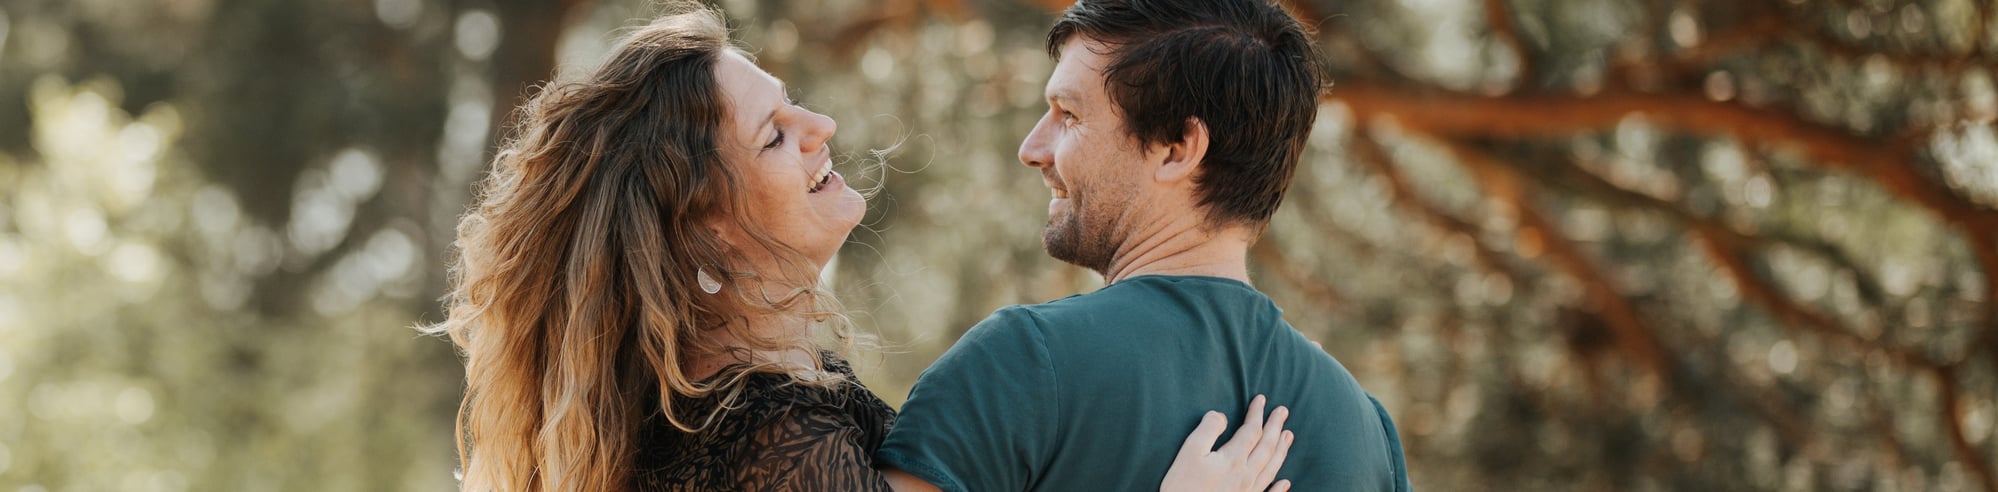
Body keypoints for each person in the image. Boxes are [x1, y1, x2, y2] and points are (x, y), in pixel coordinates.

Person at [428, 5, 1298, 491]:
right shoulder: (775, 440)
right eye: (774, 135)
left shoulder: (731, 410)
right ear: (705, 231)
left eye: (793, 104)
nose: (820, 125)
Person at [874, 0, 1414, 490]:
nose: (1032, 148)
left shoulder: (1020, 363)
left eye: (1070, 116)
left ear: (1178, 149)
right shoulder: (1367, 431)